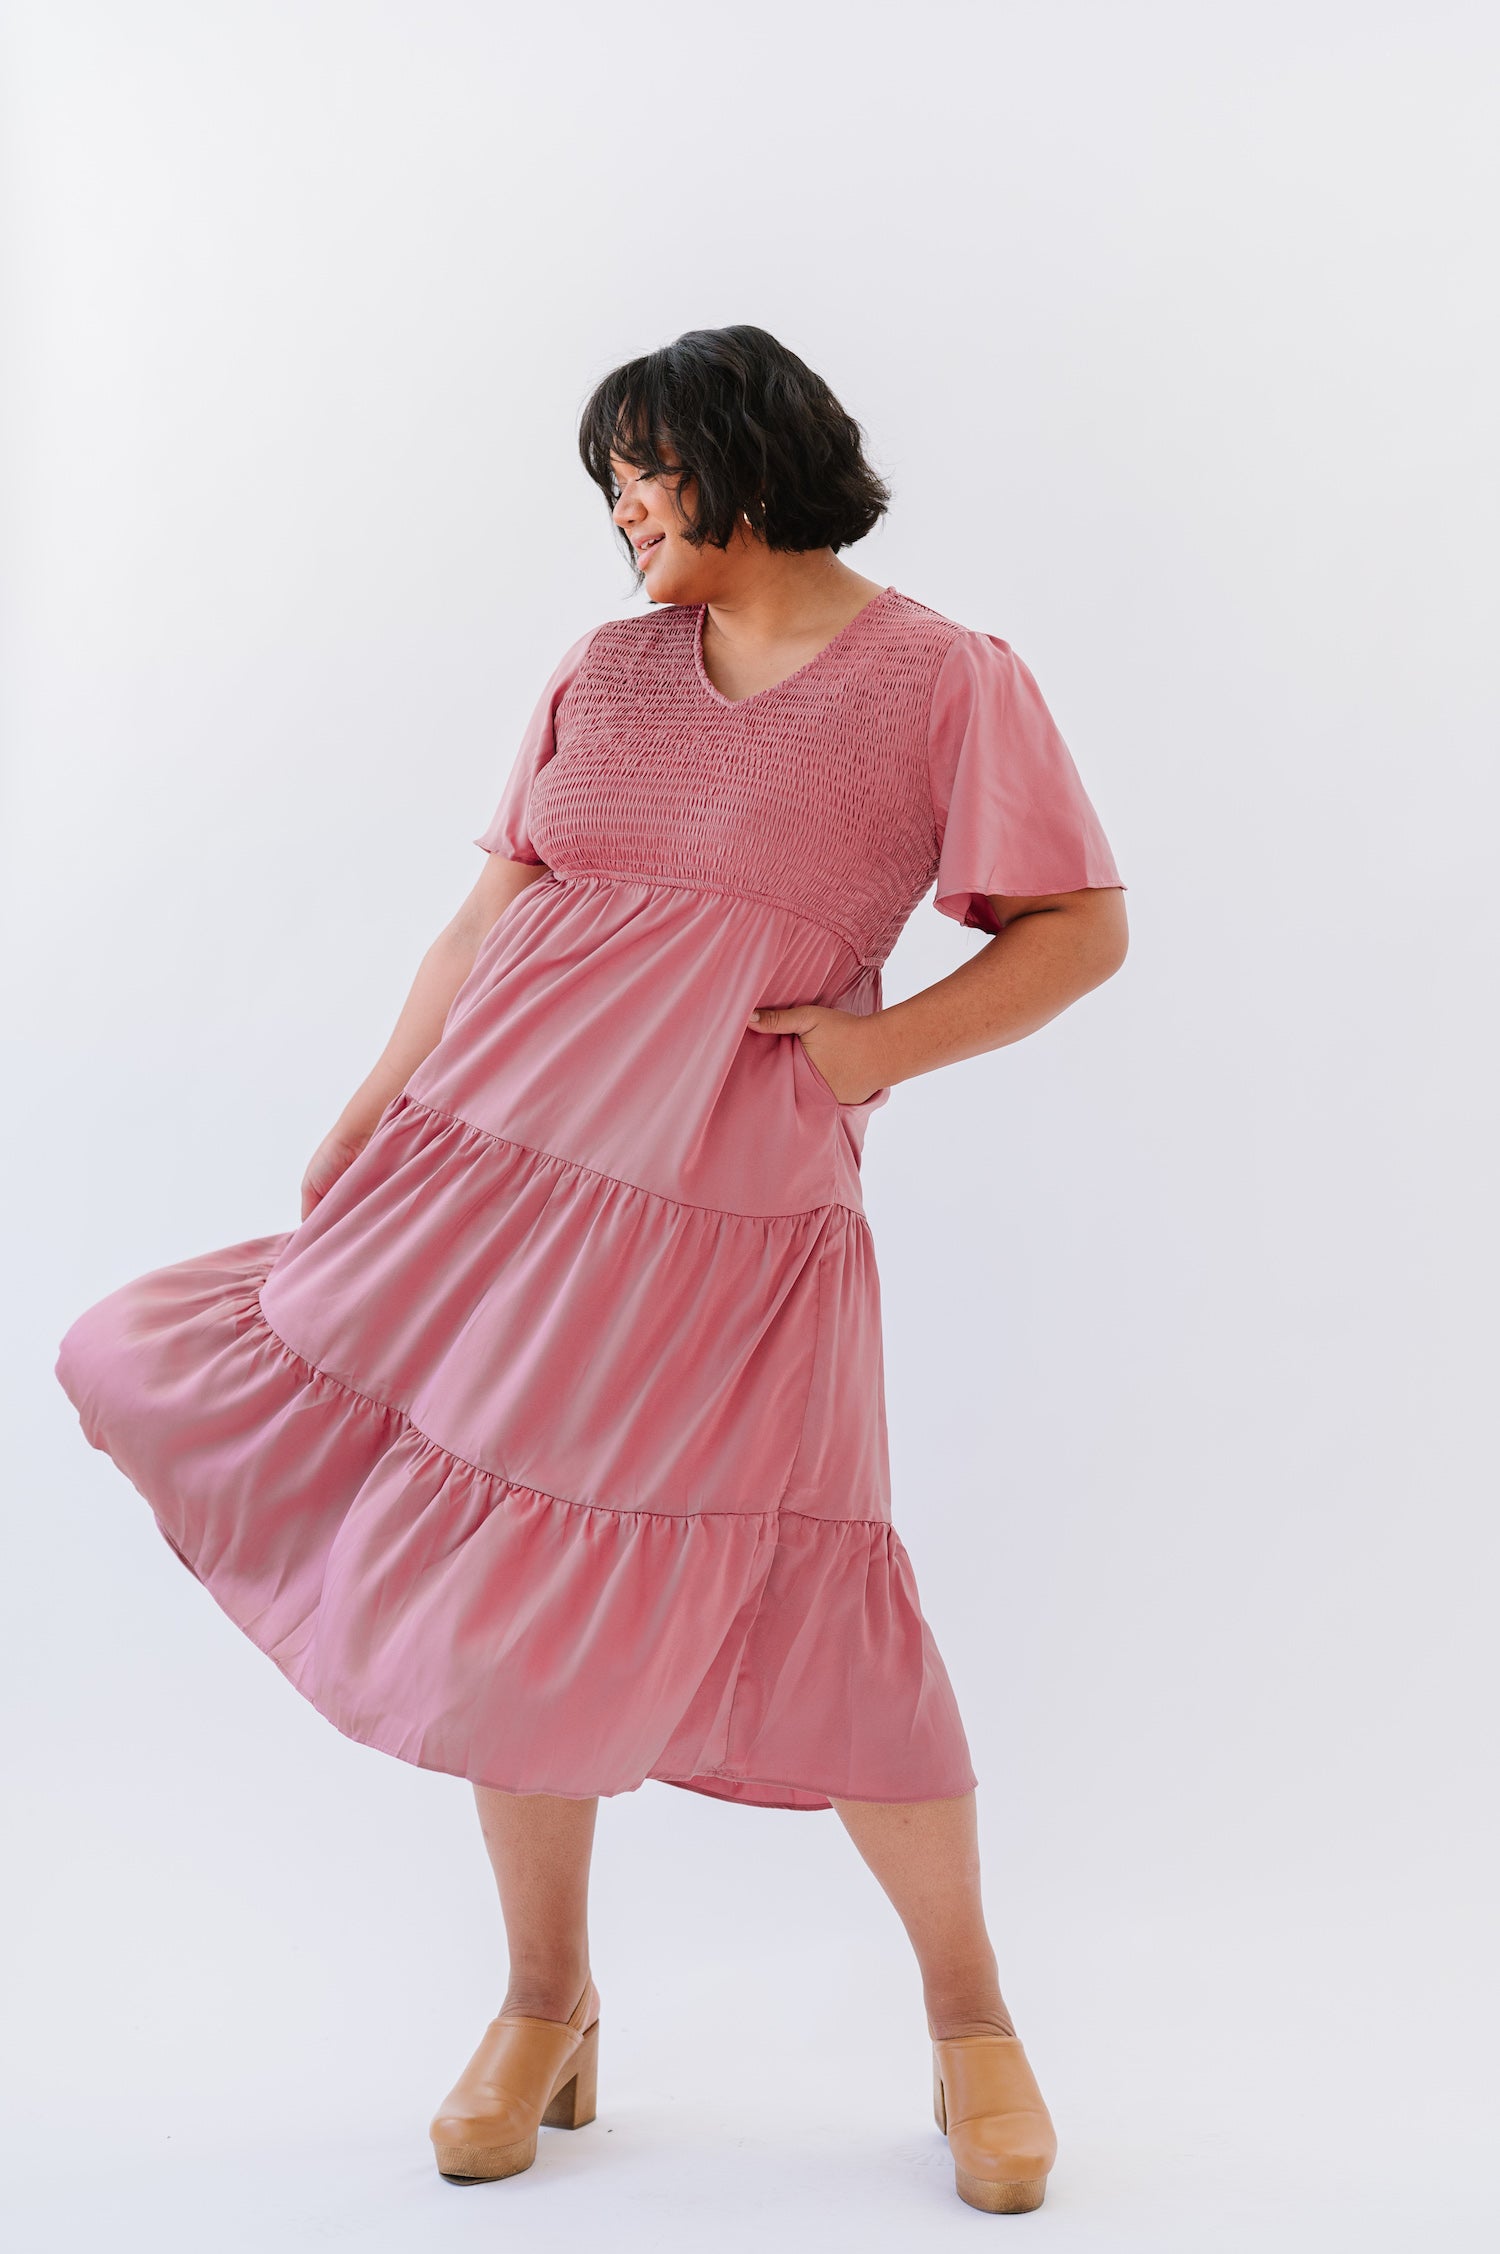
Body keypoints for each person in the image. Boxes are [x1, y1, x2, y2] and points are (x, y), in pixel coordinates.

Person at [55, 323, 1126, 2215]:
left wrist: (867, 1054)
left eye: (643, 471)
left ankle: (973, 2022)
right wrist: (370, 1109)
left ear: (746, 457)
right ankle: (545, 2000)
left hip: (735, 1217)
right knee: (494, 1582)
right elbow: (492, 913)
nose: (622, 511)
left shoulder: (945, 680)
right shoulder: (602, 671)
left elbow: (1081, 928)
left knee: (823, 1595)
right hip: (494, 1181)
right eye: (608, 485)